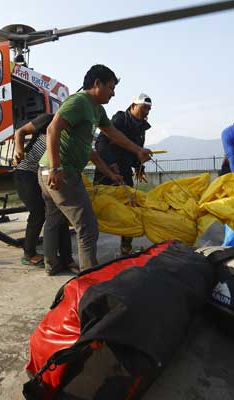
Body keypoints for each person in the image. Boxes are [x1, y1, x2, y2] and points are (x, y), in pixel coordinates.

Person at [38, 64, 152, 275]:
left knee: (54, 220)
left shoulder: (97, 110)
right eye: (110, 87)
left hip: (53, 171)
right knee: (88, 228)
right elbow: (52, 128)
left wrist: (136, 152)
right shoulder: (79, 101)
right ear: (97, 84)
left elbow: (110, 135)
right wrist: (56, 167)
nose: (113, 93)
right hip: (61, 173)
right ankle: (90, 277)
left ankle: (52, 266)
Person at [12, 113, 74, 268]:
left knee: (59, 213)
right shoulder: (49, 119)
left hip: (45, 173)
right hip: (25, 171)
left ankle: (66, 257)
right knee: (38, 212)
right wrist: (18, 150)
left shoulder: (74, 129)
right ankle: (29, 254)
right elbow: (20, 131)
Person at [93, 93, 152, 255]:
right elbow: (101, 142)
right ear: (133, 106)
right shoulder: (119, 120)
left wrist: (139, 167)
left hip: (125, 173)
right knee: (97, 208)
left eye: (149, 109)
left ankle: (126, 247)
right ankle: (88, 246)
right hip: (107, 171)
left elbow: (135, 151)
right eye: (143, 108)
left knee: (130, 207)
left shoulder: (141, 127)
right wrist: (111, 164)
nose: (146, 112)